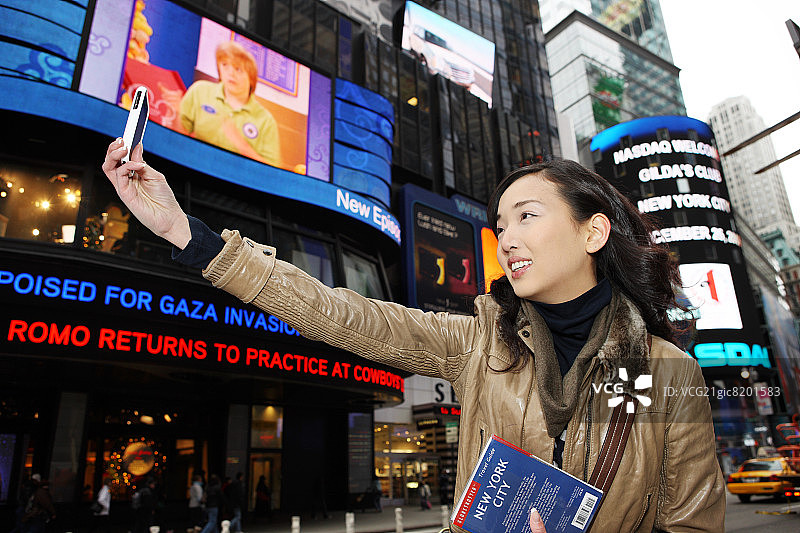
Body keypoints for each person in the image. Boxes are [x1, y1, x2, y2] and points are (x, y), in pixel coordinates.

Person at [103, 143, 726, 531]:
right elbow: (341, 314)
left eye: (528, 217)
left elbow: (690, 524)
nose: (506, 238)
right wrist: (191, 237)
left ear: (593, 234)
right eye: (500, 224)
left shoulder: (661, 371)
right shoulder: (484, 344)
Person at [171, 41, 281, 168]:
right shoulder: (199, 90)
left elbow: (273, 173)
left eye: (238, 69)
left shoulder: (266, 120)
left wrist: (242, 145)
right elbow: (177, 142)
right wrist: (176, 112)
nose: (230, 73)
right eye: (225, 65)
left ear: (251, 77)